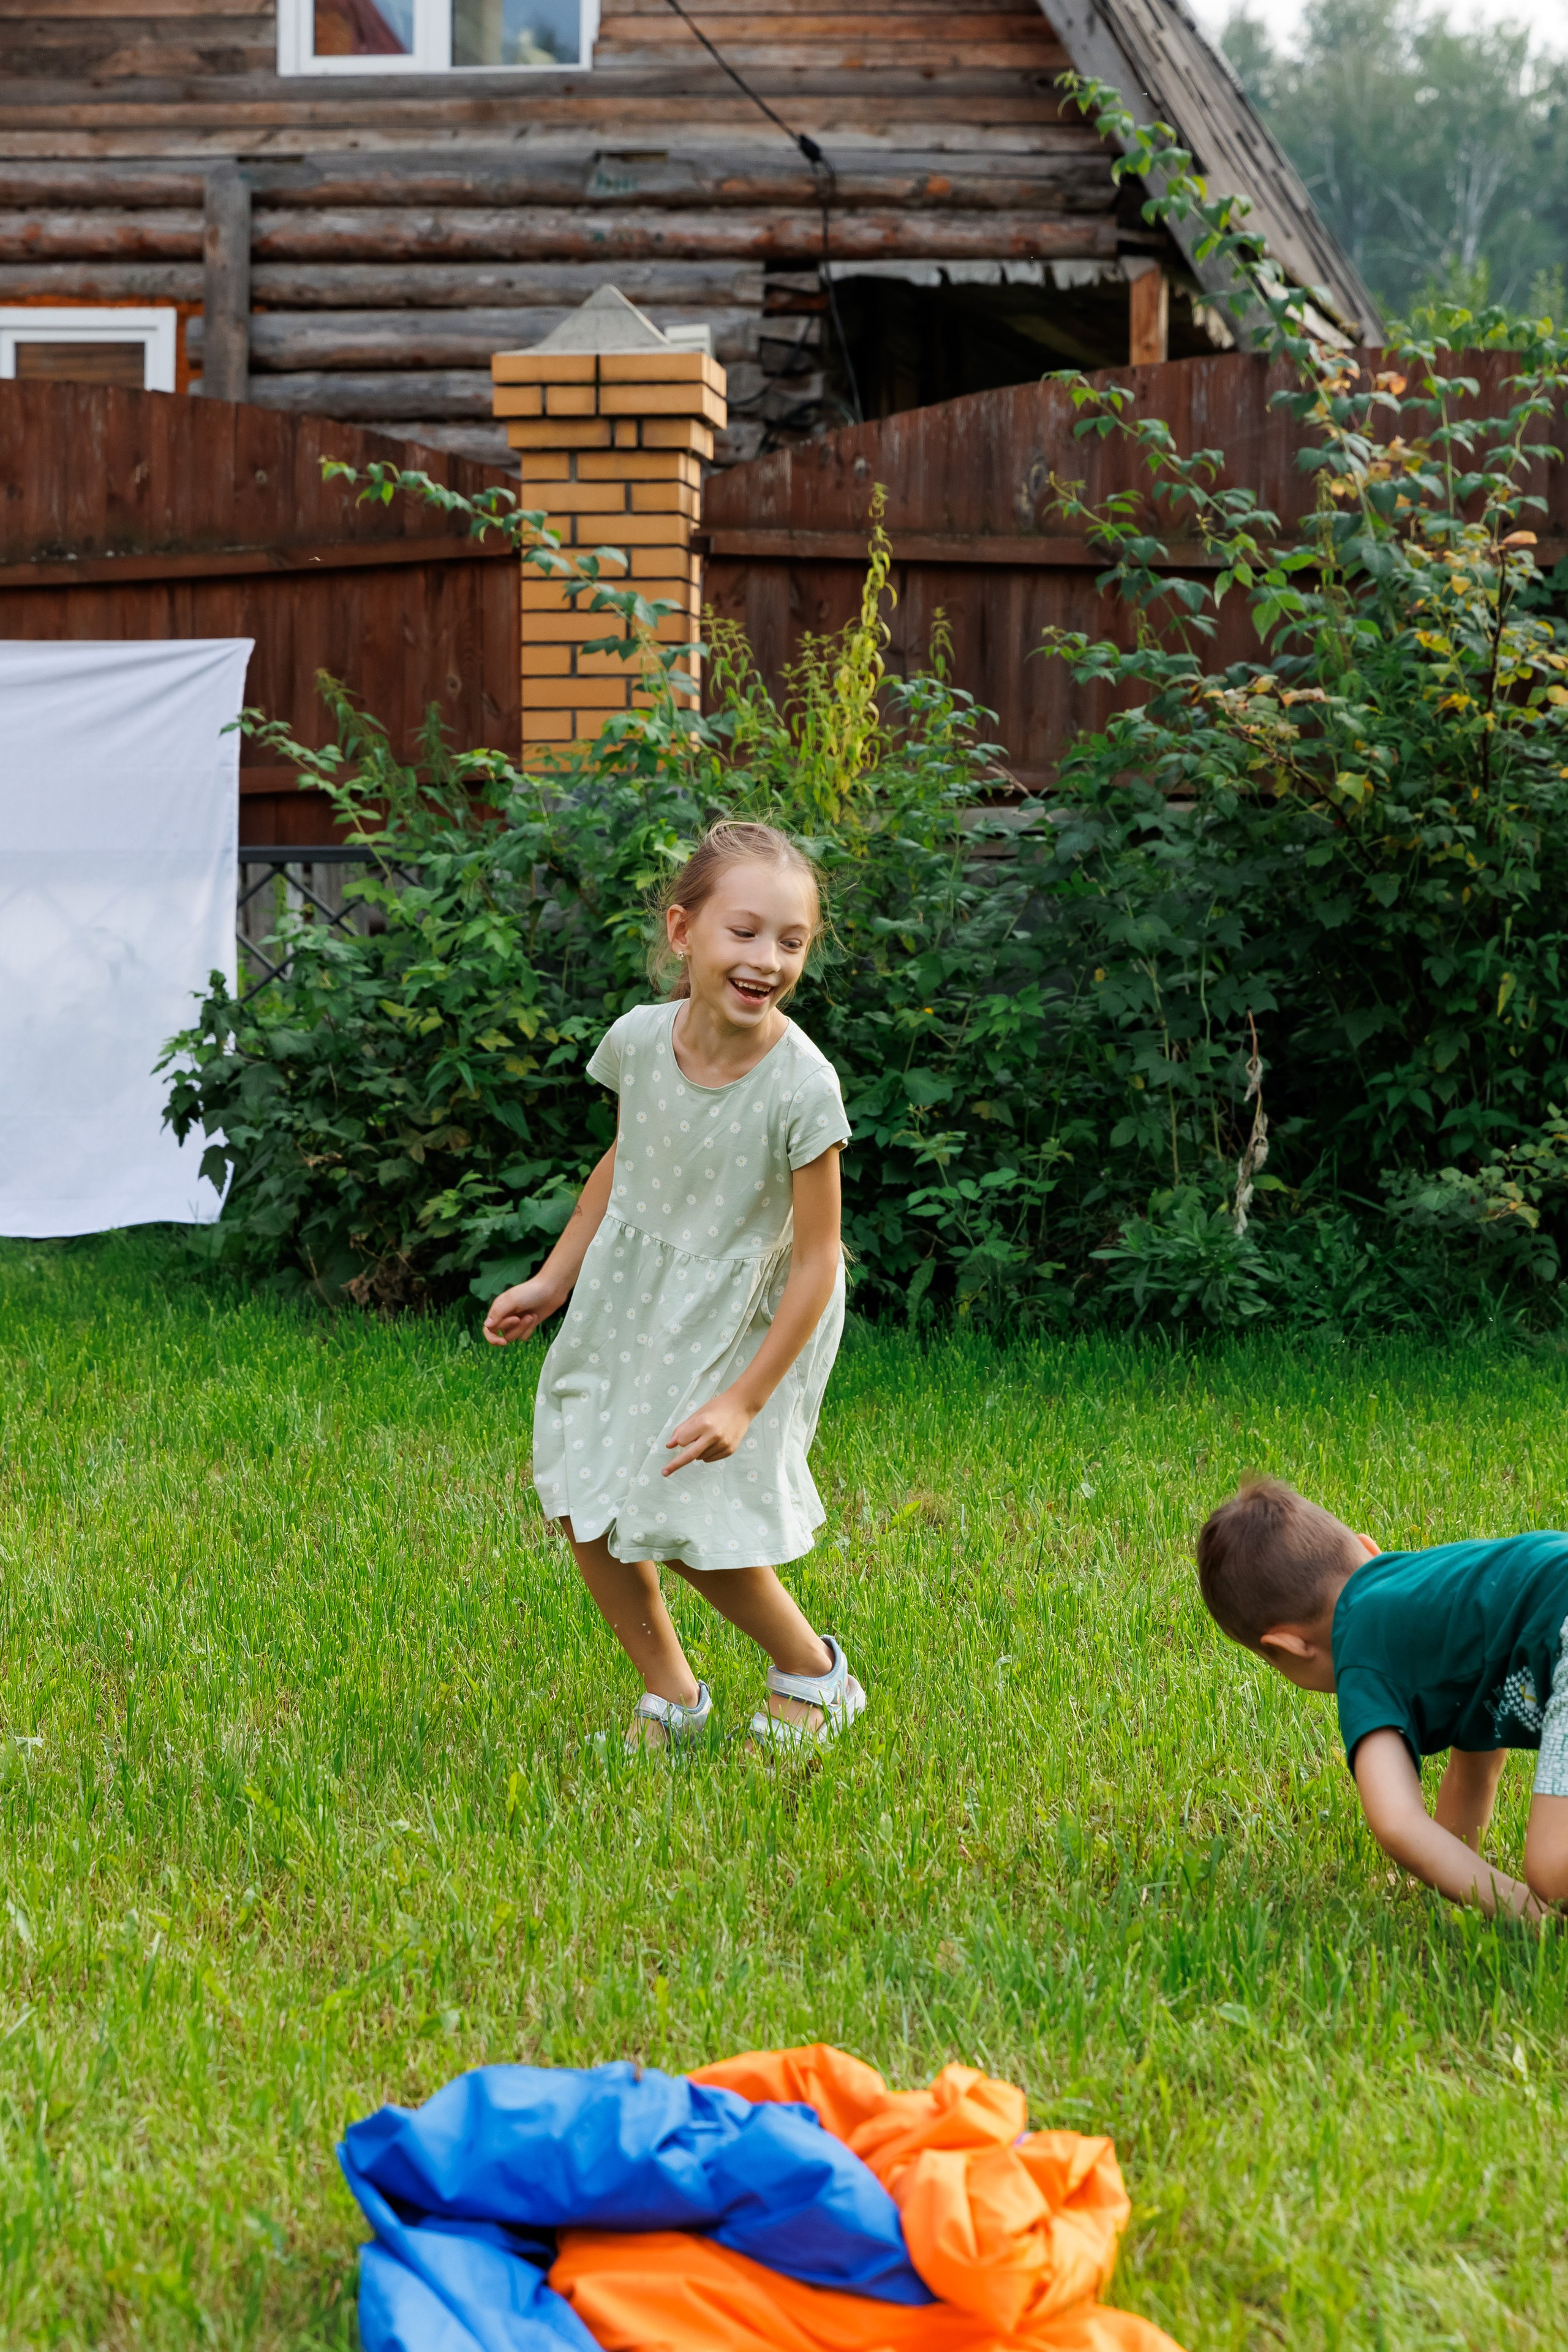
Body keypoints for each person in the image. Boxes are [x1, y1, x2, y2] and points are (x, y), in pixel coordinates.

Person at [483, 820, 865, 1755]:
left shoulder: (802, 1088)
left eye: (792, 941)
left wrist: (745, 1398)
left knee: (690, 1519)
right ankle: (674, 1695)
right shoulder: (638, 1042)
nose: (767, 959)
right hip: (634, 1297)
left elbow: (819, 1259)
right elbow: (625, 1162)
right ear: (683, 931)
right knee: (582, 1494)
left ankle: (815, 1675)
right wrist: (554, 1278)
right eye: (745, 932)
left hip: (747, 1323)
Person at [1195, 1476, 1568, 1920]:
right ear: (1367, 1548)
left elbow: (1397, 1821)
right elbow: (1474, 1773)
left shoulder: (1360, 1652)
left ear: (1291, 1646)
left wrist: (1525, 1910)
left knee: (1553, 1870)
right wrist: (1437, 1881)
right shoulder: (1434, 1597)